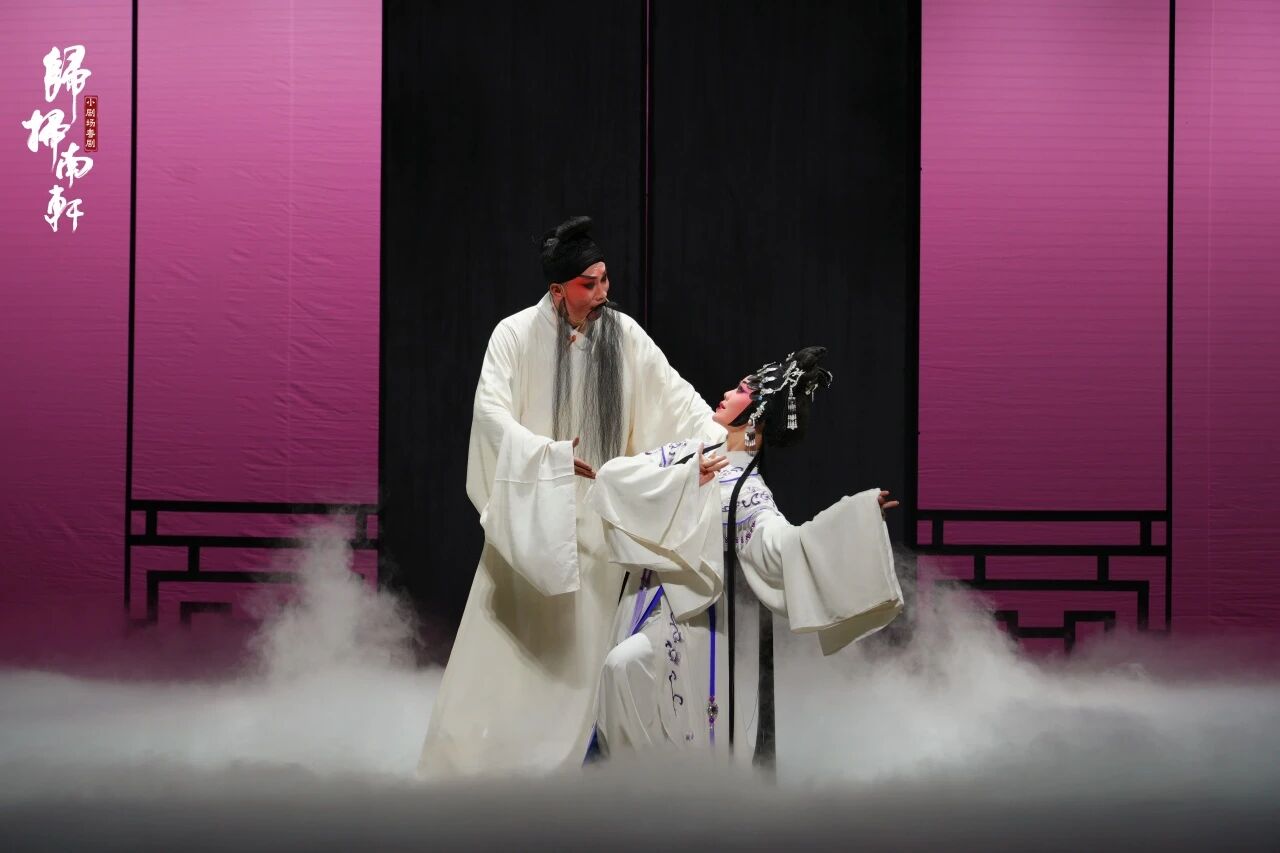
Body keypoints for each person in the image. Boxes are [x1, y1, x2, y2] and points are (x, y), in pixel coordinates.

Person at [418, 216, 725, 777]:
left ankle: (573, 764)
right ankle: (480, 763)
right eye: (589, 284)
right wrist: (548, 459)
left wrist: (717, 441)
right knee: (505, 646)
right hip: (533, 516)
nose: (603, 292)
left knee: (584, 650)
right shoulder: (514, 335)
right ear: (558, 290)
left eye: (605, 279)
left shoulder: (623, 335)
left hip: (596, 528)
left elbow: (675, 397)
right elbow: (490, 415)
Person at [588, 346, 904, 759]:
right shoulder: (687, 452)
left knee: (624, 668)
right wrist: (684, 480)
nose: (726, 393)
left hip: (691, 620)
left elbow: (782, 546)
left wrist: (854, 517)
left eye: (740, 390)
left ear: (756, 415)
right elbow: (613, 477)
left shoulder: (748, 492)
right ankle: (628, 785)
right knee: (622, 683)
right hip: (641, 601)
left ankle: (650, 784)